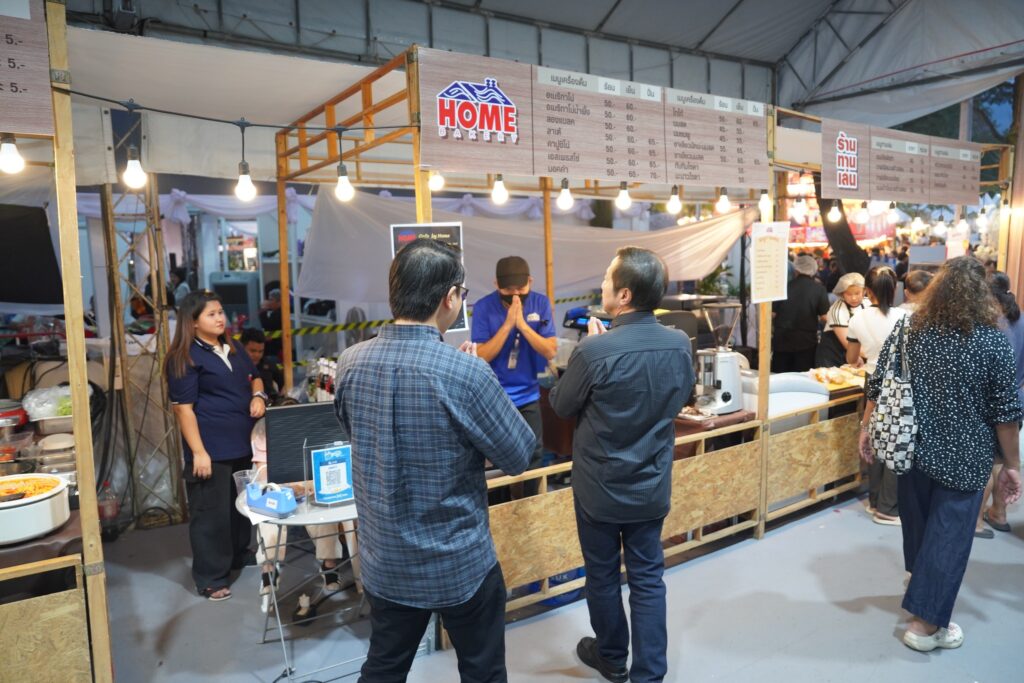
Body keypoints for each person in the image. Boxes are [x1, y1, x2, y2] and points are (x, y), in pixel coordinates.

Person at [333, 238, 534, 682]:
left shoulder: (349, 363)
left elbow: (359, 436)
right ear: (450, 298)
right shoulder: (466, 373)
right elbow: (520, 455)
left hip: (385, 557)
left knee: (383, 668)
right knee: (482, 672)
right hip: (458, 560)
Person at [859, 256, 1022, 652]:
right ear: (981, 294)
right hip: (966, 455)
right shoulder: (991, 341)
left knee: (918, 525)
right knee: (950, 535)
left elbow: (878, 382)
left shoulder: (910, 329)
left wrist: (865, 428)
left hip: (912, 448)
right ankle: (925, 624)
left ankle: (919, 588)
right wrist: (1013, 465)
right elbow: (1005, 413)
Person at [550, 247, 694, 683]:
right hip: (651, 482)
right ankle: (649, 674)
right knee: (648, 577)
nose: (603, 284)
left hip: (599, 487)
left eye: (608, 278)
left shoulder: (594, 351)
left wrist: (589, 349)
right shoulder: (678, 342)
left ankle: (612, 657)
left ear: (625, 294)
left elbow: (561, 405)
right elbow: (681, 395)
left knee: (602, 574)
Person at [166, 290, 267, 601]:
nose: (220, 318)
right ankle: (210, 577)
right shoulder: (185, 357)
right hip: (211, 448)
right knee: (211, 514)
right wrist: (199, 452)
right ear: (193, 322)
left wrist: (258, 395)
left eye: (221, 312)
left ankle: (239, 554)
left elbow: (255, 376)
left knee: (240, 507)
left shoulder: (233, 347)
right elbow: (183, 410)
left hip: (242, 444)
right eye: (211, 314)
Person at [471, 256, 557, 494]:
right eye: (508, 289)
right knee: (498, 457)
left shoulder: (540, 303)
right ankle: (501, 508)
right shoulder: (483, 307)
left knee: (534, 454)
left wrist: (523, 326)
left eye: (521, 288)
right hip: (495, 396)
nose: (516, 295)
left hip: (529, 394)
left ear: (530, 281)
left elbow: (550, 350)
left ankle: (531, 505)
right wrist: (508, 324)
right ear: (496, 285)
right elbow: (481, 355)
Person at [847, 266, 907, 525]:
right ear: (894, 289)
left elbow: (851, 357)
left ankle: (874, 502)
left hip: (871, 378)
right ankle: (888, 508)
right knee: (896, 441)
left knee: (874, 436)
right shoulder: (904, 317)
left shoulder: (857, 318)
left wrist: (865, 357)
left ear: (867, 291)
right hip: (898, 384)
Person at [980, 271, 1024, 535]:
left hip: (988, 400)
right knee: (1004, 461)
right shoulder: (1021, 320)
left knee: (984, 462)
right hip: (1016, 399)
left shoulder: (985, 322)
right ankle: (999, 512)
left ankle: (975, 521)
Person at [772, 254, 830, 373]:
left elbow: (772, 314)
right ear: (814, 270)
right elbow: (825, 317)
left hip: (782, 340)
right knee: (803, 377)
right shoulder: (819, 289)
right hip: (806, 342)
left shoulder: (783, 287)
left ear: (796, 269)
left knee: (780, 376)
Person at [815, 272, 865, 367]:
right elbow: (848, 344)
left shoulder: (867, 303)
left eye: (857, 293)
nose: (854, 298)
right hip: (832, 356)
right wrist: (873, 355)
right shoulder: (837, 310)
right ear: (842, 294)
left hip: (854, 353)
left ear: (864, 291)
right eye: (849, 294)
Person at [240, 328, 285, 400]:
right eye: (252, 351)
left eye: (260, 351)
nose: (257, 355)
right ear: (242, 347)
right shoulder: (234, 366)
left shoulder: (268, 364)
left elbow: (283, 384)